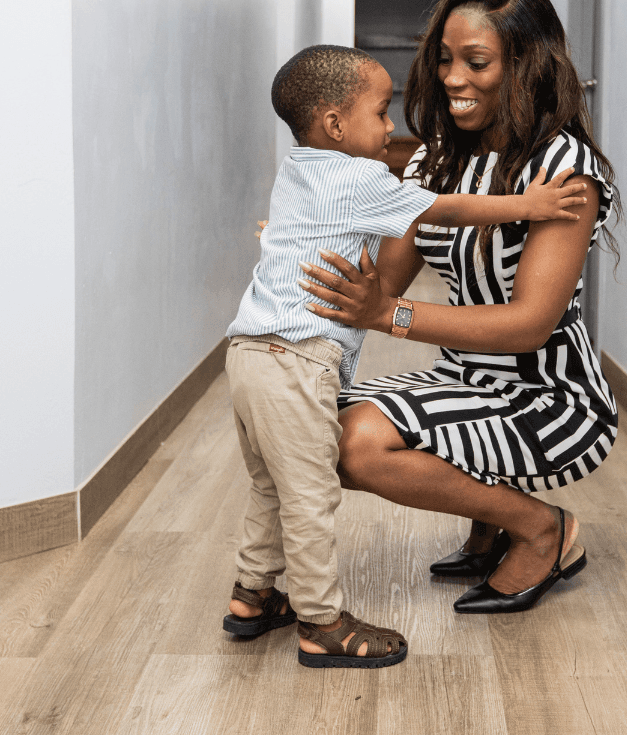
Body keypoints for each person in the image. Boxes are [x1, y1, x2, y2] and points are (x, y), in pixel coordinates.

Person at [222, 43, 591, 667]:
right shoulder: (362, 178)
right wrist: (526, 206)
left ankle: (252, 597)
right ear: (337, 125)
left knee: (272, 486)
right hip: (297, 358)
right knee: (310, 494)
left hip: (247, 352)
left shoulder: (298, 170)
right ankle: (322, 621)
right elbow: (446, 207)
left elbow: (364, 257)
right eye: (381, 113)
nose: (392, 127)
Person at [300, 0, 620, 615]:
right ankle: (490, 522)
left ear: (525, 66)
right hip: (465, 378)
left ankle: (542, 529)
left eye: (476, 62)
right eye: (444, 59)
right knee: (307, 420)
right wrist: (306, 240)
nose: (452, 79)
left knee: (356, 446)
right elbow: (384, 280)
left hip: (549, 396)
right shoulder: (436, 159)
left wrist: (390, 316)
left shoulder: (564, 173)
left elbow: (529, 324)